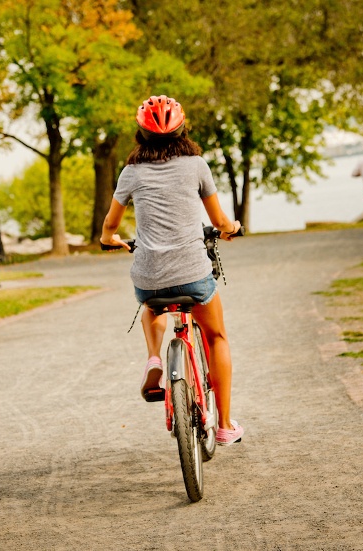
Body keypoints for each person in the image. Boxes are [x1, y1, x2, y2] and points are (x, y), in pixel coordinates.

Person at [100, 95, 244, 445]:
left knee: (152, 303)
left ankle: (154, 356)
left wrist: (110, 239)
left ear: (141, 135)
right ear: (182, 130)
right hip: (194, 274)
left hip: (150, 277)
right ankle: (224, 425)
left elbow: (110, 224)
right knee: (217, 336)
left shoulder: (130, 172)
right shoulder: (196, 165)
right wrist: (231, 228)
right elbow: (218, 220)